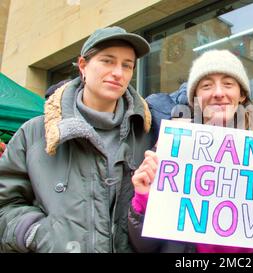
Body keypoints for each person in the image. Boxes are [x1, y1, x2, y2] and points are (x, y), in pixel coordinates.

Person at [128, 49, 253, 253]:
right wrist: (143, 199)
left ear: (242, 95)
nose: (219, 93)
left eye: (228, 84)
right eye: (206, 85)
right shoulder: (170, 150)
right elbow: (143, 247)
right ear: (195, 96)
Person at [0, 26, 153, 253]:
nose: (118, 73)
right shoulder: (34, 133)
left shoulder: (147, 134)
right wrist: (34, 233)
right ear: (83, 65)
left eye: (127, 65)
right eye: (107, 61)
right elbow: (5, 203)